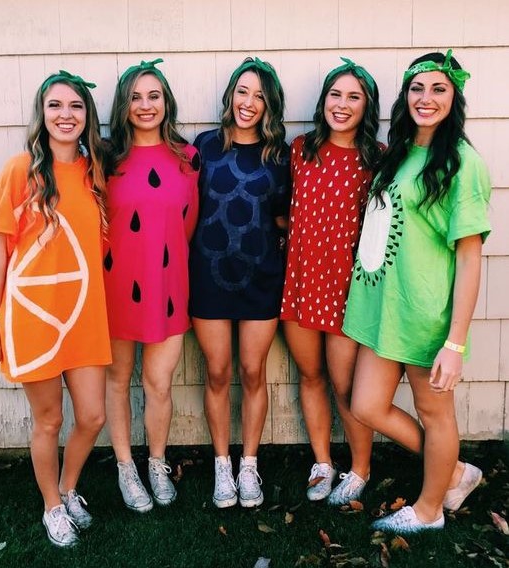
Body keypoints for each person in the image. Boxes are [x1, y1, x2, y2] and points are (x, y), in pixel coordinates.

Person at [343, 50, 490, 533]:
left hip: (427, 316)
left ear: (454, 96)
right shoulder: (401, 152)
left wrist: (455, 343)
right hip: (385, 310)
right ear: (406, 97)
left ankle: (430, 511)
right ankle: (457, 472)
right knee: (365, 405)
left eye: (439, 89)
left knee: (435, 414)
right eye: (417, 89)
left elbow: (469, 258)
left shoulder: (463, 164)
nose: (426, 99)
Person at [0, 70, 111, 547]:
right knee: (49, 420)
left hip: (83, 315)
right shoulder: (21, 171)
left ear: (87, 116)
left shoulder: (94, 172)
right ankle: (51, 507)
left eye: (75, 106)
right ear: (42, 114)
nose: (65, 115)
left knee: (93, 415)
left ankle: (69, 488)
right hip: (32, 317)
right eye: (55, 106)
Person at [280, 58, 382, 505]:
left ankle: (360, 468)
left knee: (345, 386)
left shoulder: (376, 158)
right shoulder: (300, 148)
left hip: (347, 288)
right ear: (323, 101)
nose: (341, 105)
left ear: (366, 106)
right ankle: (323, 461)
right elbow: (285, 208)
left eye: (353, 97)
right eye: (335, 95)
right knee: (310, 375)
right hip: (302, 281)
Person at [189, 57, 290, 508]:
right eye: (243, 92)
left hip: (260, 278)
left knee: (253, 372)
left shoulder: (279, 155)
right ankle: (222, 467)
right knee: (217, 372)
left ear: (270, 105)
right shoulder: (203, 147)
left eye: (260, 96)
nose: (249, 103)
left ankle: (249, 466)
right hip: (208, 278)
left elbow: (285, 219)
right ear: (230, 95)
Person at [103, 59, 199, 512]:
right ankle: (126, 467)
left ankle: (156, 462)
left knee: (159, 383)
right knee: (118, 379)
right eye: (136, 97)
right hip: (114, 286)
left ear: (166, 102)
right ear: (124, 105)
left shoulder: (188, 158)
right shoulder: (105, 159)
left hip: (168, 284)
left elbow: (189, 227)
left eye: (153, 96)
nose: (145, 105)